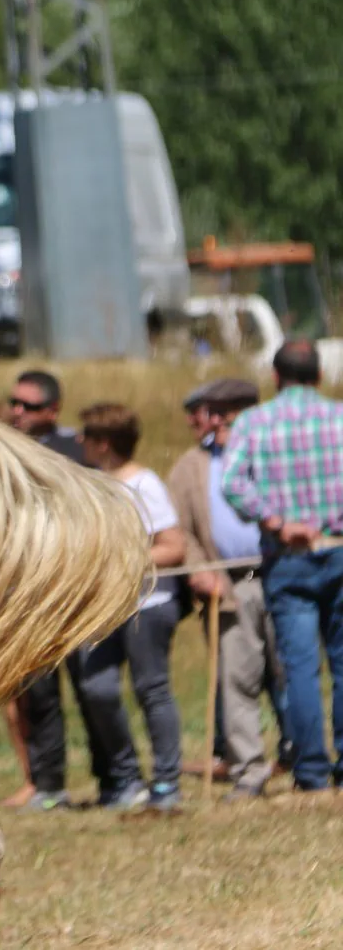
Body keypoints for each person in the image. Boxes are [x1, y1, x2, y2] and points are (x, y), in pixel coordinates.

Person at [223, 340, 343, 793]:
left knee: (300, 667)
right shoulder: (339, 416)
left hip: (287, 558)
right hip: (338, 547)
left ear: (276, 377)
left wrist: (275, 520)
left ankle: (312, 769)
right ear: (319, 374)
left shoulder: (255, 423)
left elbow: (233, 481)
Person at [9, 369, 126, 810]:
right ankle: (49, 783)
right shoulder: (4, 448)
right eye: (14, 403)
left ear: (52, 411)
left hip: (77, 589)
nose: (18, 411)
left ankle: (114, 778)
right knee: (38, 695)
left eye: (29, 406)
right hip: (26, 594)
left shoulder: (78, 451)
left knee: (92, 688)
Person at [168, 378, 289, 800]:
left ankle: (301, 757)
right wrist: (199, 570)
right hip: (230, 585)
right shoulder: (190, 466)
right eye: (210, 412)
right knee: (237, 681)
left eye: (225, 412)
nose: (215, 422)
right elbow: (180, 530)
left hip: (282, 573)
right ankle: (249, 771)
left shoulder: (275, 450)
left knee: (290, 674)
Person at [80, 403, 188, 811]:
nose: (80, 443)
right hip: (103, 608)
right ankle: (126, 778)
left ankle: (166, 783)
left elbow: (174, 547)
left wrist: (126, 563)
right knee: (96, 687)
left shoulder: (146, 485)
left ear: (103, 443)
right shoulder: (90, 482)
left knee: (151, 689)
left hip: (149, 604)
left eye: (87, 437)